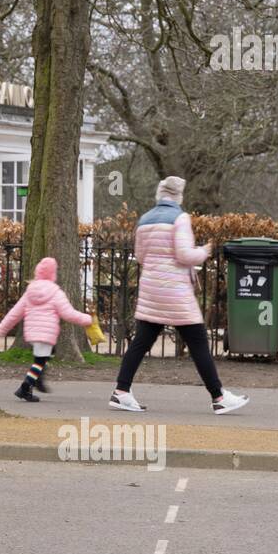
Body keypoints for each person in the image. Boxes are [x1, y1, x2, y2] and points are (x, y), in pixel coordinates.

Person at [109, 176, 249, 415]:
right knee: (198, 343)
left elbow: (140, 256)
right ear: (178, 196)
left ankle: (121, 392)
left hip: (152, 290)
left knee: (141, 342)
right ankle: (219, 396)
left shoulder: (144, 219)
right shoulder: (180, 218)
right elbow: (184, 255)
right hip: (175, 293)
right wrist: (203, 251)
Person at [0, 256, 93, 402]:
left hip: (33, 334)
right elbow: (68, 313)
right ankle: (25, 387)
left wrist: (2, 328)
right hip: (47, 333)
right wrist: (87, 319)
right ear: (53, 274)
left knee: (48, 354)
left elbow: (16, 311)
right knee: (39, 361)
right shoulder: (55, 292)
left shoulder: (30, 291)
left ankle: (38, 378)